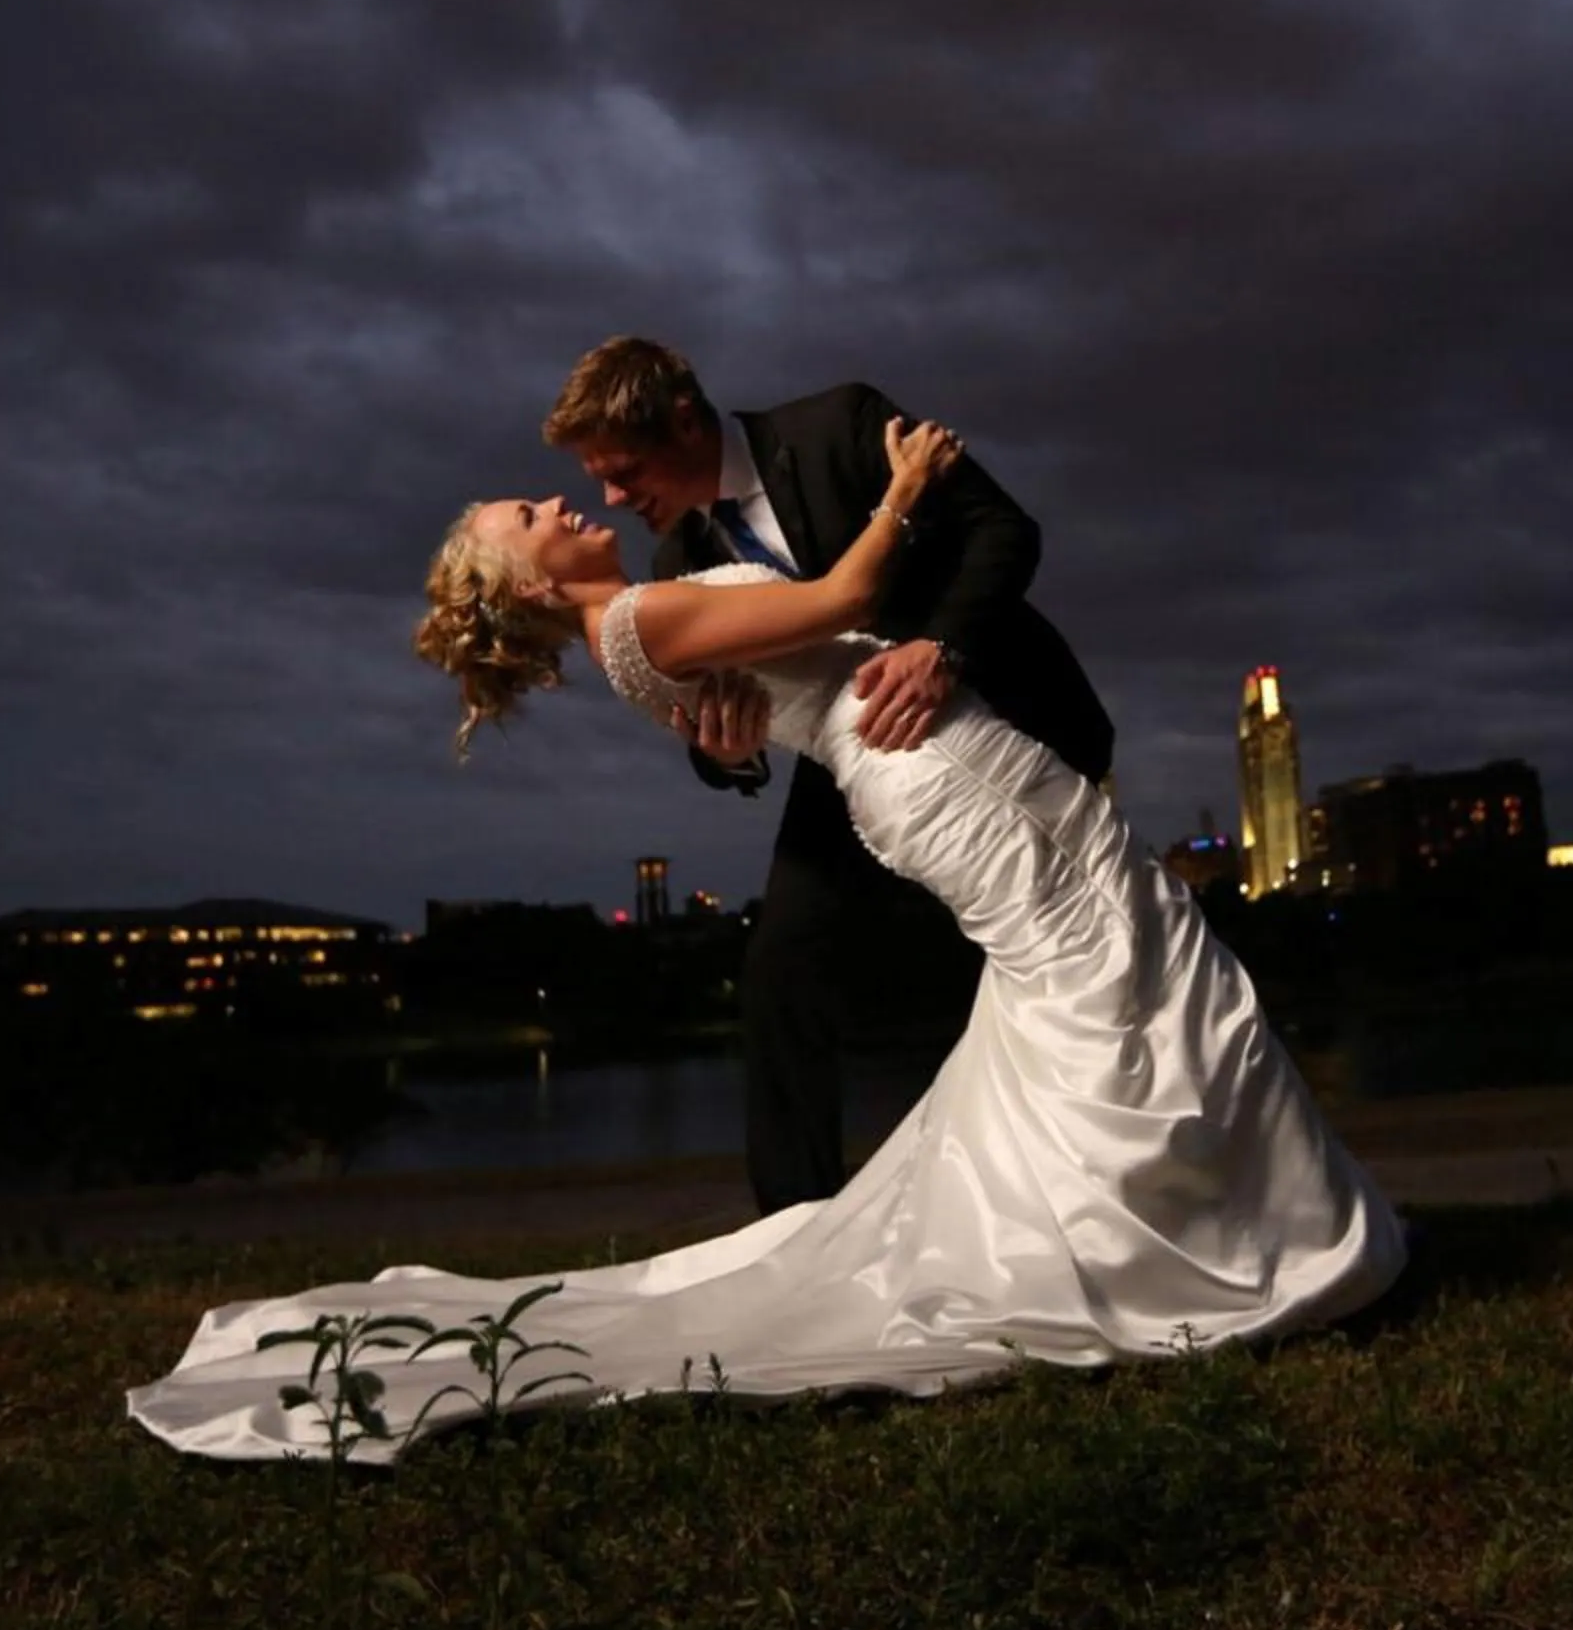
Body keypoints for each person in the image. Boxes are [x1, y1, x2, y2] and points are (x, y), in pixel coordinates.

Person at [124, 414, 1406, 1461]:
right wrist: (905, 485)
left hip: (952, 755)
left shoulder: (647, 612)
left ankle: (1206, 1232)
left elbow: (772, 671)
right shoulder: (636, 624)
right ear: (524, 580)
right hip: (928, 777)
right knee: (1114, 981)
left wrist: (738, 709)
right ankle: (1207, 1249)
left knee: (1113, 978)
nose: (560, 502)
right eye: (530, 516)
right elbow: (846, 593)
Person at [541, 337, 1114, 1217]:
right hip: (856, 763)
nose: (612, 498)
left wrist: (943, 651)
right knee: (780, 967)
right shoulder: (669, 568)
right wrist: (725, 752)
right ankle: (796, 1224)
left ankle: (1053, 1185)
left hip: (996, 714)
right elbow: (711, 726)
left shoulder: (840, 424)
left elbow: (1006, 531)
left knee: (1033, 957)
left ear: (685, 420)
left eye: (621, 470)